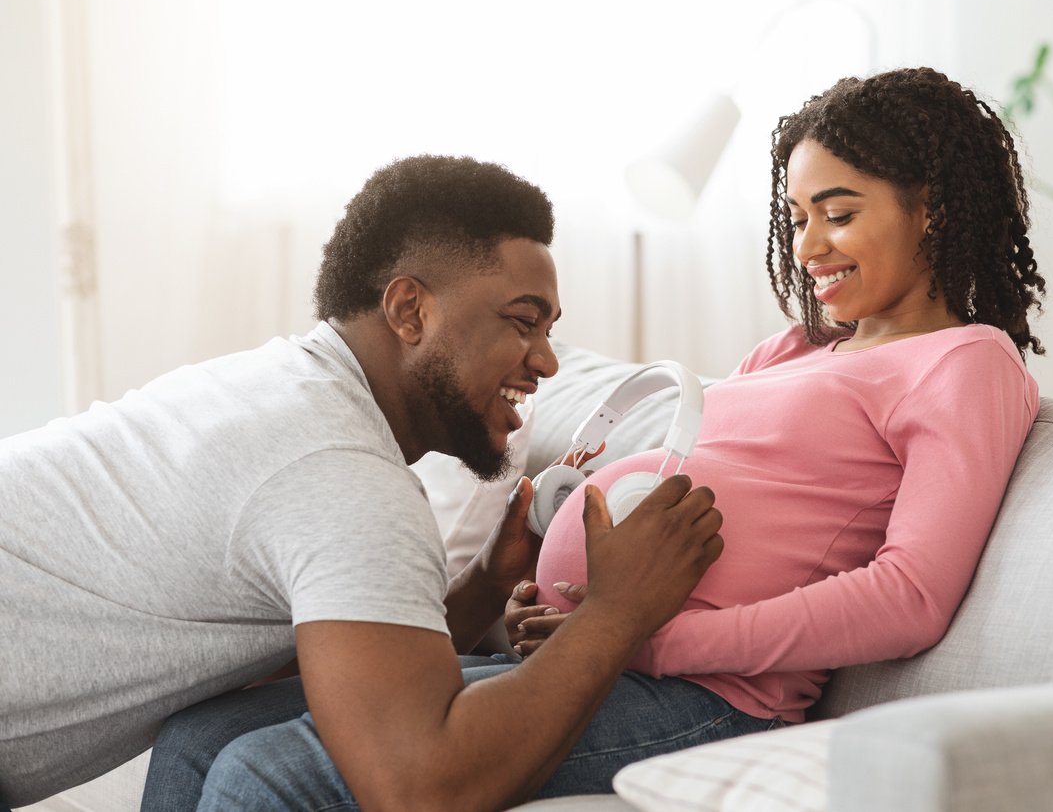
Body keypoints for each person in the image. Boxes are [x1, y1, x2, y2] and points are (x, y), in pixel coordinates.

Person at [152, 66, 1049, 808]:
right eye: (797, 215)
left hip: (710, 696)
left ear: (931, 208)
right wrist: (552, 612)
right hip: (614, 654)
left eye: (839, 212)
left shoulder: (967, 363)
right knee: (202, 734)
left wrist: (652, 638)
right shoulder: (791, 349)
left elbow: (910, 595)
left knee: (272, 773)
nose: (809, 245)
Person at [0, 155, 724, 812]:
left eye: (548, 331)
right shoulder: (342, 473)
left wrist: (483, 585)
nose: (546, 362)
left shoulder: (284, 392)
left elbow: (362, 671)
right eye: (522, 322)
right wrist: (617, 611)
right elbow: (421, 786)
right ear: (410, 310)